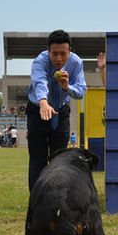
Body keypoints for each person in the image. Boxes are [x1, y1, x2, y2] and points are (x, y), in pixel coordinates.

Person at [26, 29, 87, 191]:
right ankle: (36, 203)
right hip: (37, 109)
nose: (59, 59)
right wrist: (43, 102)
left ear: (70, 51)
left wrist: (68, 87)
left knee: (59, 158)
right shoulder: (40, 61)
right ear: (48, 51)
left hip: (61, 110)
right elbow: (40, 82)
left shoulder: (76, 63)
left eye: (63, 54)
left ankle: (56, 199)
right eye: (54, 54)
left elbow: (81, 91)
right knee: (37, 159)